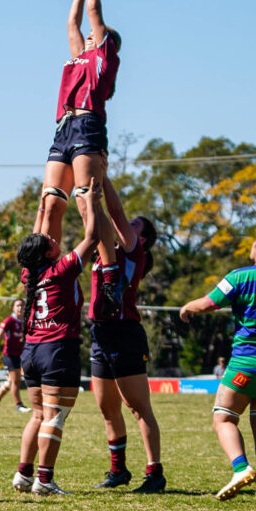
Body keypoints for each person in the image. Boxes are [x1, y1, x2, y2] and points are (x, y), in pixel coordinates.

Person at [180, 227, 256, 503]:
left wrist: (187, 307)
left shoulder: (240, 276)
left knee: (224, 417)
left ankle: (240, 468)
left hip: (248, 362)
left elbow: (210, 303)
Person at [39, 0, 123, 316]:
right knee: (51, 201)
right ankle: (40, 263)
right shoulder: (77, 58)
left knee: (88, 200)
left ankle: (109, 272)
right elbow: (74, 20)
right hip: (63, 128)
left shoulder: (103, 56)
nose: (89, 35)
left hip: (88, 126)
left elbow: (93, 14)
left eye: (95, 36)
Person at [13, 177, 101, 496]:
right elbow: (92, 238)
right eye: (50, 241)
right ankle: (45, 480)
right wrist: (90, 200)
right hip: (57, 350)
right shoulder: (61, 269)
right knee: (55, 416)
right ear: (48, 252)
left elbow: (38, 236)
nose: (54, 239)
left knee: (39, 414)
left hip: (32, 351)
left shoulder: (30, 273)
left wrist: (43, 206)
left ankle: (24, 474)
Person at [89, 177, 165, 493]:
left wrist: (99, 175)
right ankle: (118, 470)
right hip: (100, 333)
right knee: (107, 408)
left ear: (143, 239)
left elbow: (115, 215)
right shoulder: (106, 248)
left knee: (137, 407)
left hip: (124, 332)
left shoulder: (133, 252)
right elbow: (100, 223)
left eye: (136, 225)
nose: (127, 225)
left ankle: (155, 473)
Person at [0, 299, 31, 413]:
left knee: (11, 381)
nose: (20, 308)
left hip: (20, 354)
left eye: (22, 306)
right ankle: (19, 405)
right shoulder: (9, 320)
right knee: (16, 381)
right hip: (10, 354)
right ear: (13, 308)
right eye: (17, 306)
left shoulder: (25, 321)